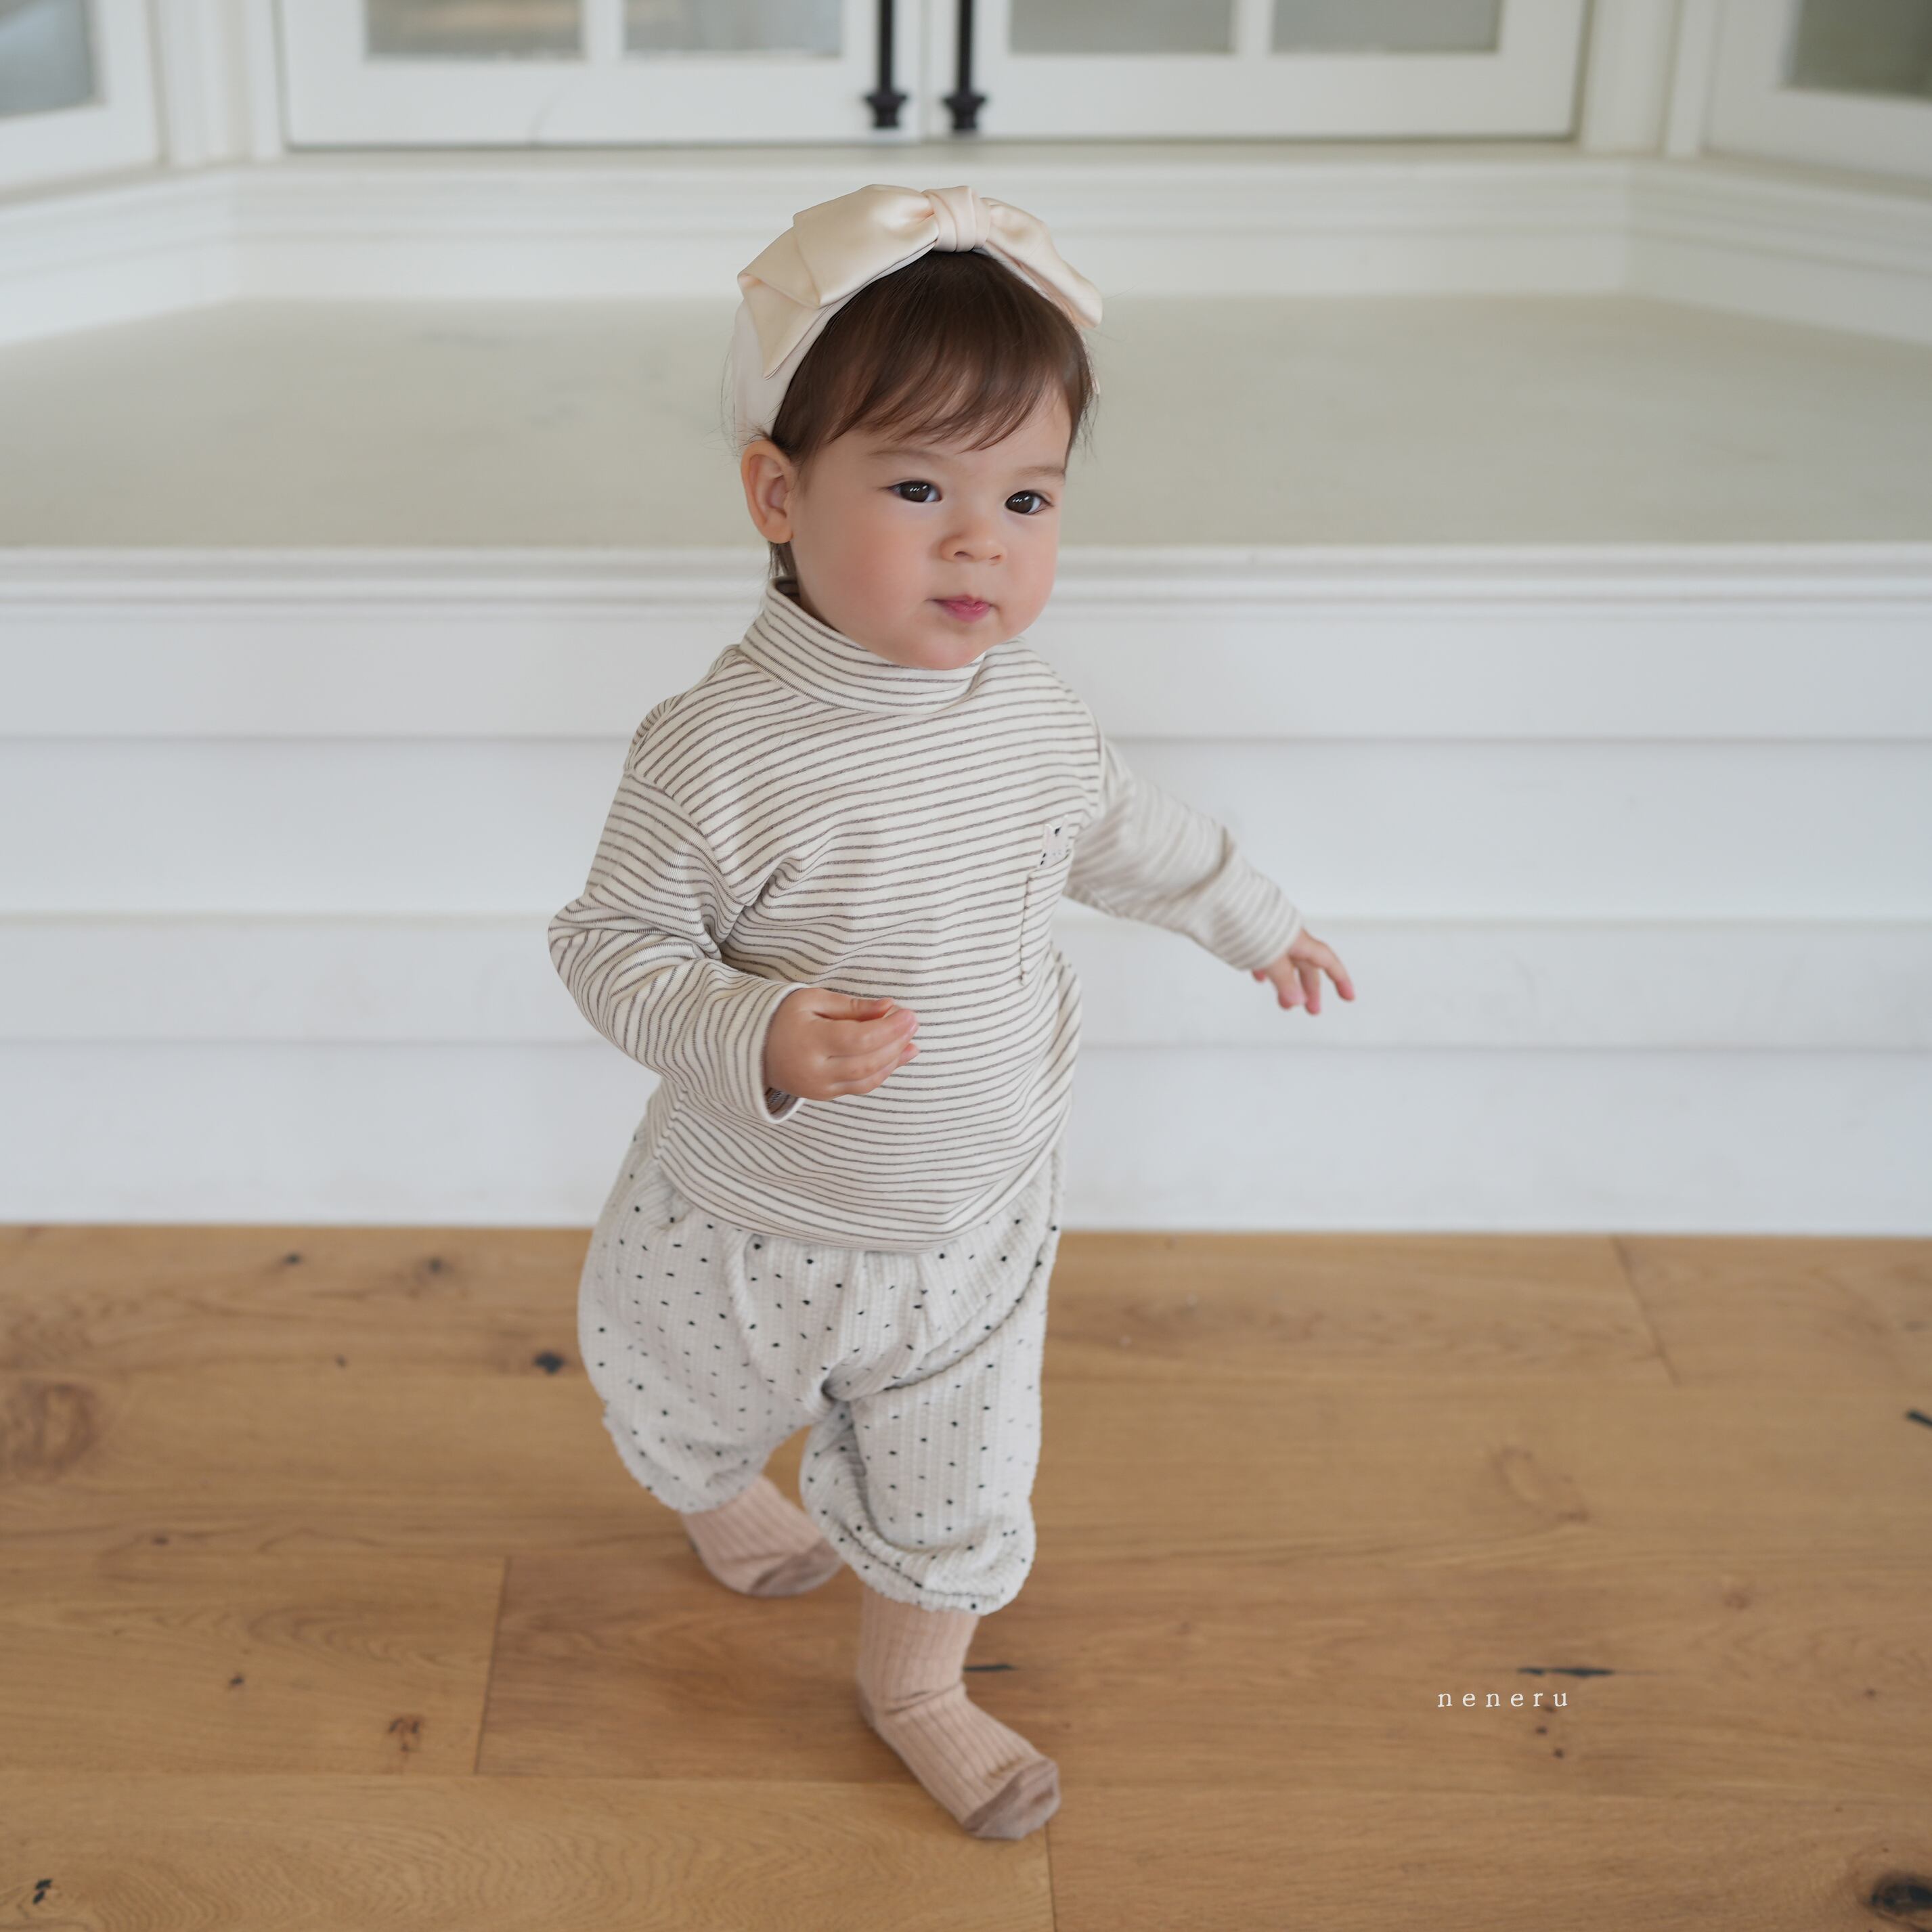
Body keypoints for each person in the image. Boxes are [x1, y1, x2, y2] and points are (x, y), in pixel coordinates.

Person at [548, 182, 1355, 1841]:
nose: (980, 538)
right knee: (683, 1399)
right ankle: (716, 1495)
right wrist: (755, 1033)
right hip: (746, 1216)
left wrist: (1254, 916)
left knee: (956, 1487)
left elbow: (1133, 834)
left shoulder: (1032, 722)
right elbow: (607, 943)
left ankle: (917, 1684)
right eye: (919, 487)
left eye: (1026, 494)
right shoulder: (715, 748)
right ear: (779, 494)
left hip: (966, 1228)